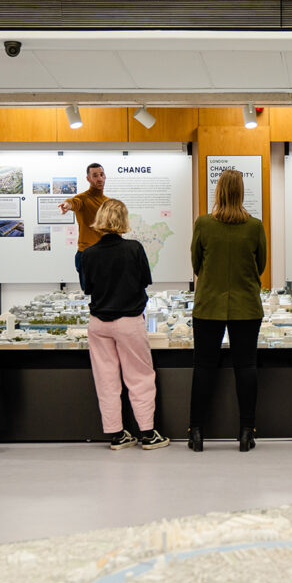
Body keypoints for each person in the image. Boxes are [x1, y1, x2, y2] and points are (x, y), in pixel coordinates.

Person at [188, 169, 268, 453]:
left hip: (208, 303)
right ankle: (247, 431)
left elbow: (196, 263)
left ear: (218, 191)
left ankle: (196, 432)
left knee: (203, 367)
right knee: (246, 367)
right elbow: (261, 265)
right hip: (246, 304)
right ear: (241, 192)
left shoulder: (204, 224)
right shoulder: (255, 226)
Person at [82, 199, 169, 451]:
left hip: (98, 323)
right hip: (129, 321)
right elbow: (144, 281)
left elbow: (88, 288)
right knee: (139, 377)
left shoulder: (88, 254)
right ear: (123, 220)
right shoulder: (134, 249)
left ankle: (117, 435)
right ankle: (148, 434)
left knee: (106, 379)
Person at [58, 163, 108, 292]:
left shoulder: (108, 202)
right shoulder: (83, 199)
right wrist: (67, 205)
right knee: (91, 297)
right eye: (95, 175)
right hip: (87, 254)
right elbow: (73, 202)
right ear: (88, 179)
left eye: (101, 175)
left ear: (105, 176)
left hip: (105, 254)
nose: (99, 178)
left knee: (107, 294)